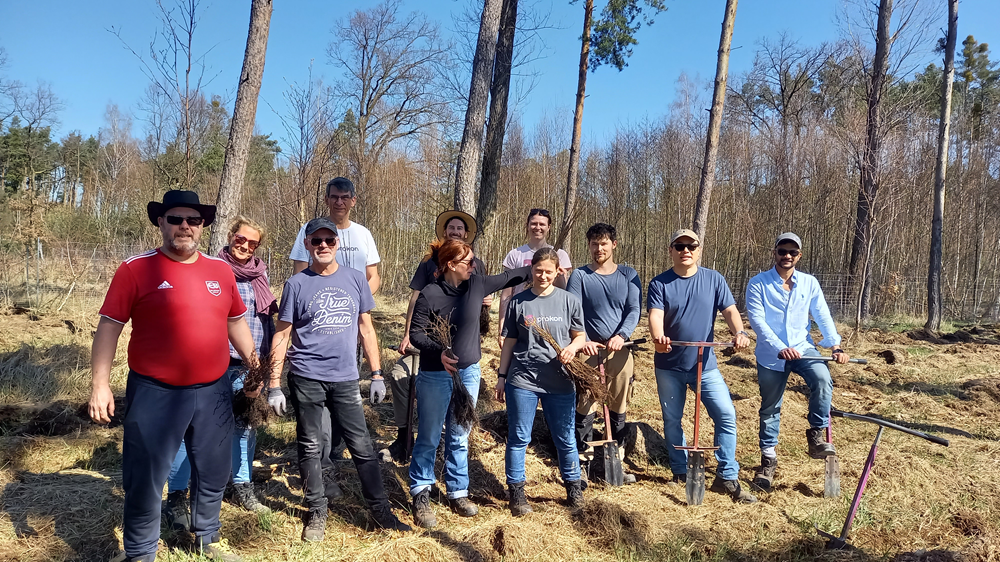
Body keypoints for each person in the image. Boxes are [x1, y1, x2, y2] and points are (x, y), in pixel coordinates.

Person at [89, 190, 255, 562]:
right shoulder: (136, 268)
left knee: (214, 470)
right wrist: (100, 385)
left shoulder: (220, 270)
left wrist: (257, 366)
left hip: (213, 390)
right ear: (160, 223)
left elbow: (235, 321)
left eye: (193, 220)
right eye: (176, 219)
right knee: (145, 479)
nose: (184, 226)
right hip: (155, 392)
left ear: (202, 227)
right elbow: (108, 327)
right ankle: (140, 552)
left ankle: (206, 537)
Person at [266, 217, 411, 541]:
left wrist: (376, 374)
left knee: (361, 444)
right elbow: (282, 334)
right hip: (306, 378)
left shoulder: (355, 279)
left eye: (329, 241)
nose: (323, 246)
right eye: (316, 241)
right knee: (310, 444)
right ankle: (317, 511)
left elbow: (366, 328)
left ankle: (381, 512)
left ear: (337, 244)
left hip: (345, 378)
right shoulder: (296, 285)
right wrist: (273, 385)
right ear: (307, 244)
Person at [406, 238, 531, 528]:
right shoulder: (430, 294)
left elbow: (510, 276)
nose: (474, 266)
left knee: (460, 433)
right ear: (451, 265)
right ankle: (421, 492)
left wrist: (536, 266)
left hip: (469, 373)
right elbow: (416, 334)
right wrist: (440, 352)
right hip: (436, 374)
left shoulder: (476, 285)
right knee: (429, 435)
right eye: (469, 262)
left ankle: (458, 491)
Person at [162, 217, 277, 529]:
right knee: (193, 429)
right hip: (210, 363)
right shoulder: (210, 268)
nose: (245, 246)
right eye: (241, 239)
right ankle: (176, 494)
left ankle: (240, 485)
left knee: (245, 426)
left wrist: (261, 367)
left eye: (253, 243)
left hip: (249, 364)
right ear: (230, 236)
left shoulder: (260, 276)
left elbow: (266, 320)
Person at [288, 176, 384, 502]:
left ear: (353, 201)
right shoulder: (311, 231)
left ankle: (339, 454)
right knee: (320, 413)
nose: (339, 202)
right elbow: (302, 275)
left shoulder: (362, 234)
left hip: (351, 329)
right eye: (334, 197)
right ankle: (323, 469)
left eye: (345, 197)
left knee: (345, 403)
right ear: (327, 199)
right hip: (318, 333)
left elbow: (374, 277)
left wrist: (352, 302)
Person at [647, 229, 757, 504]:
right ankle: (680, 470)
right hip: (669, 365)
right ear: (671, 250)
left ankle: (727, 474)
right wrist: (658, 338)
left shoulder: (714, 280)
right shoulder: (660, 283)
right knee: (673, 420)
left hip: (705, 366)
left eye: (691, 246)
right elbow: (655, 315)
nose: (686, 250)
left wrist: (739, 332)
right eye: (680, 246)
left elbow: (730, 310)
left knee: (726, 414)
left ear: (698, 250)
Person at [382, 210, 492, 463]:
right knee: (401, 375)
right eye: (451, 228)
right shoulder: (428, 262)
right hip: (428, 344)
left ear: (466, 235)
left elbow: (483, 296)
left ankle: (448, 443)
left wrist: (487, 302)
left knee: (458, 411)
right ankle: (405, 435)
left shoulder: (475, 264)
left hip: (461, 347)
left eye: (460, 229)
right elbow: (416, 298)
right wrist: (408, 334)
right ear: (444, 232)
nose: (455, 231)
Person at [745, 232, 850, 493]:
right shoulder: (758, 284)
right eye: (783, 251)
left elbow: (822, 314)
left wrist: (834, 343)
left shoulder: (809, 283)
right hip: (771, 355)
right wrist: (780, 347)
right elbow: (758, 322)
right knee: (770, 407)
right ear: (775, 253)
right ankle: (768, 460)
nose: (787, 256)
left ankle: (816, 434)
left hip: (804, 349)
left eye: (793, 252)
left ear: (799, 256)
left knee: (823, 380)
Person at [497, 248, 587, 516]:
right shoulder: (519, 302)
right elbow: (510, 342)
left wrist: (573, 348)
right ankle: (517, 493)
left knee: (565, 438)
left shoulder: (569, 301)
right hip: (522, 379)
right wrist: (502, 377)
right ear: (531, 270)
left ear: (558, 271)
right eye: (538, 271)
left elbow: (580, 335)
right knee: (519, 438)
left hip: (560, 381)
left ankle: (573, 489)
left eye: (549, 271)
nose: (543, 276)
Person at [566, 223, 642, 483]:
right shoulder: (580, 276)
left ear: (614, 245)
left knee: (618, 404)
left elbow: (634, 310)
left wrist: (621, 336)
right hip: (588, 351)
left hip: (620, 351)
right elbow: (574, 310)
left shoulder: (629, 275)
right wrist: (583, 339)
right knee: (585, 402)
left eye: (604, 243)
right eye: (594, 244)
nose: (599, 248)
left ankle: (614, 462)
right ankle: (582, 463)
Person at [497, 208, 572, 349]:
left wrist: (560, 275)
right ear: (528, 225)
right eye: (534, 223)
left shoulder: (560, 255)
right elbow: (507, 294)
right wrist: (502, 325)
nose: (537, 228)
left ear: (549, 227)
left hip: (550, 318)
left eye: (542, 224)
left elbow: (564, 292)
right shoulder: (515, 255)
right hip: (520, 317)